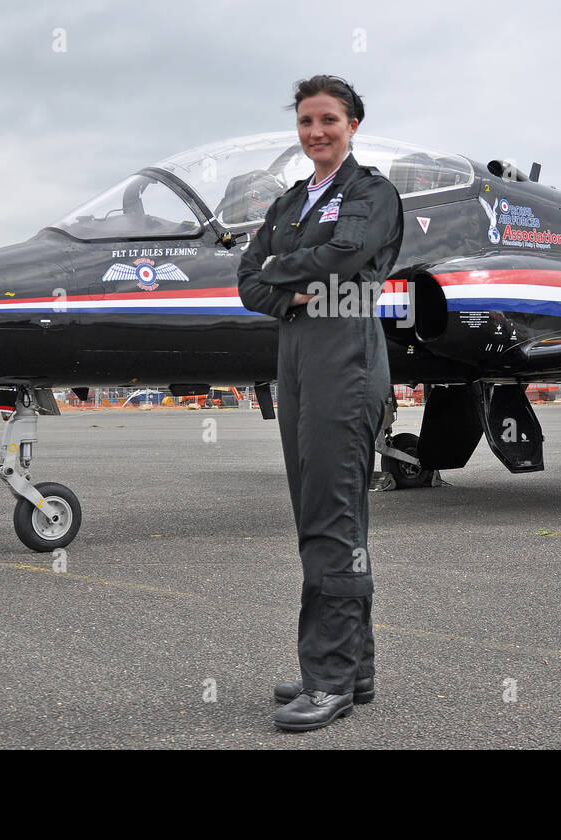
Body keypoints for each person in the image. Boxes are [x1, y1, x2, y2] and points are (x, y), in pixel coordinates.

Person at [237, 75, 404, 732]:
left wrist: (292, 271)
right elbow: (248, 281)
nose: (316, 132)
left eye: (328, 119)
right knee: (323, 515)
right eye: (306, 122)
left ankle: (327, 679)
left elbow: (345, 253)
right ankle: (354, 669)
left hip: (346, 355)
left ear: (353, 125)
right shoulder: (286, 204)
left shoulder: (372, 194)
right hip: (298, 355)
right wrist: (294, 287)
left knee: (332, 520)